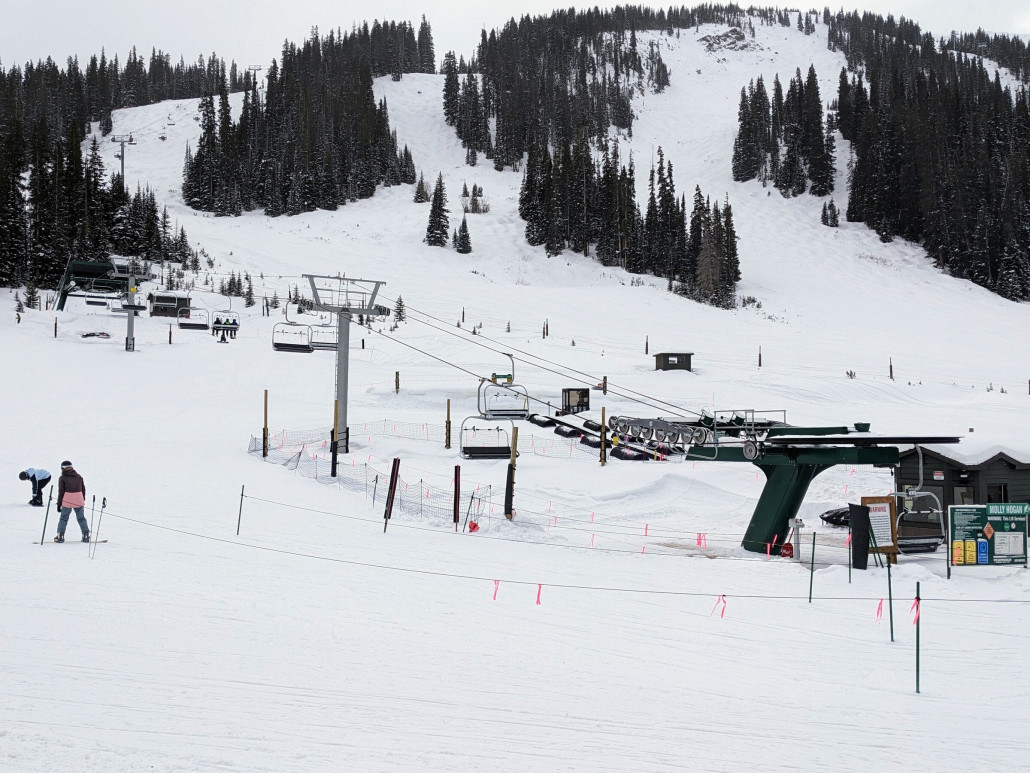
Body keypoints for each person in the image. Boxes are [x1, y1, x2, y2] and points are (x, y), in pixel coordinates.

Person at [55, 461, 89, 543]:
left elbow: (61, 492)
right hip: (78, 499)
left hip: (67, 500)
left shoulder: (62, 478)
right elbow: (83, 489)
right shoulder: (79, 477)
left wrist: (59, 504)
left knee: (64, 518)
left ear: (62, 468)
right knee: (81, 518)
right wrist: (82, 499)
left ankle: (60, 536)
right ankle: (86, 535)